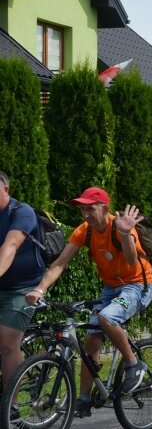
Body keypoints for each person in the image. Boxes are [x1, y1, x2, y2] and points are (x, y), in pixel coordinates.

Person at [26, 187, 152, 417]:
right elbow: (59, 263)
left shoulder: (121, 226)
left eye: (90, 209)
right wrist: (40, 288)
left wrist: (125, 234)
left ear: (105, 208)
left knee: (107, 317)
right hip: (111, 288)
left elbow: (132, 260)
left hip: (137, 285)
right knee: (91, 341)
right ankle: (83, 400)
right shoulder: (85, 231)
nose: (85, 214)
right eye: (82, 209)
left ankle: (133, 365)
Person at [0, 171, 45, 400]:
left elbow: (11, 246)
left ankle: (11, 407)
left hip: (24, 288)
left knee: (7, 342)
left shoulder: (22, 212)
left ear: (5, 189)